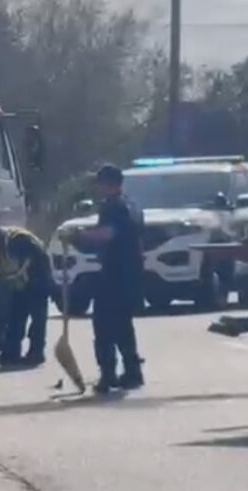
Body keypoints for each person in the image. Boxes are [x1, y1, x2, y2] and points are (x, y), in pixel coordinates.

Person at [65, 164, 145, 393]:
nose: (97, 188)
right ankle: (132, 372)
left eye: (99, 183)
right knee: (123, 325)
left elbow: (108, 234)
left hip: (115, 274)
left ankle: (108, 374)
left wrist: (79, 237)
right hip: (131, 273)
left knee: (103, 325)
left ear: (108, 183)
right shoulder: (133, 205)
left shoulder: (114, 207)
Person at [0, 221, 52, 367]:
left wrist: (26, 281)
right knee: (15, 317)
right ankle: (10, 353)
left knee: (38, 318)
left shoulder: (19, 241)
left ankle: (36, 353)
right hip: (18, 283)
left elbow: (33, 262)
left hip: (38, 278)